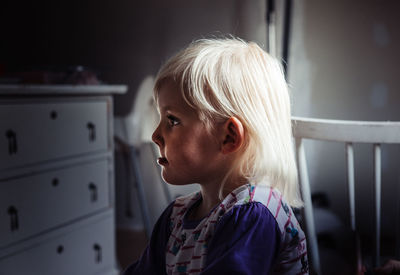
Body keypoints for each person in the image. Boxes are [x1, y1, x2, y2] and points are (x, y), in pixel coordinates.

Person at [123, 37, 308, 275]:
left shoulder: (254, 215)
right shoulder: (175, 217)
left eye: (172, 120)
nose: (156, 135)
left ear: (229, 138)